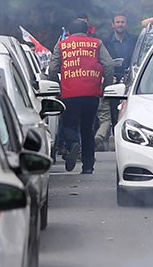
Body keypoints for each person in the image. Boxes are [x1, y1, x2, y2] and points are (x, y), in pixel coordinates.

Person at [48, 19, 114, 174]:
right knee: (88, 129)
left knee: (69, 125)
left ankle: (73, 144)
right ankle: (88, 167)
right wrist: (107, 87)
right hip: (91, 94)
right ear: (87, 31)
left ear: (69, 32)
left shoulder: (62, 45)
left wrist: (55, 86)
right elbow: (109, 65)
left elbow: (52, 68)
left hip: (69, 93)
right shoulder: (96, 43)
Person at [96, 12, 137, 150]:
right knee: (112, 108)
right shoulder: (105, 42)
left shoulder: (134, 41)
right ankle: (113, 138)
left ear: (126, 24)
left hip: (131, 78)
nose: (120, 24)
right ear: (112, 25)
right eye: (118, 22)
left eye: (123, 22)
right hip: (111, 79)